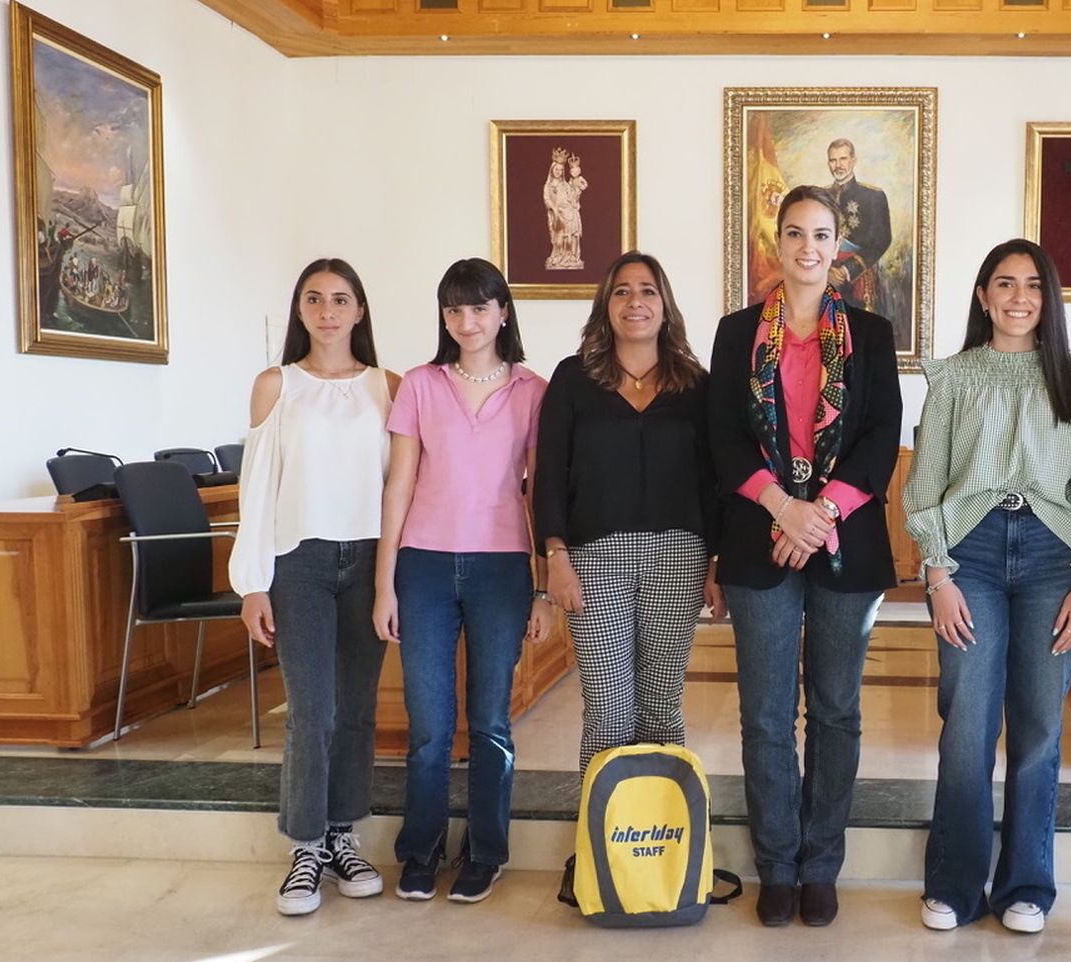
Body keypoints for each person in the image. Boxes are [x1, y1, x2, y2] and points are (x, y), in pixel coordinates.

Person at [904, 238, 1071, 934]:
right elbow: (926, 484)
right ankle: (956, 884)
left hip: (1054, 558)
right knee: (967, 722)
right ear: (982, 296)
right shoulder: (955, 379)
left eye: (1033, 285)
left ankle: (1027, 885)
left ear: (1048, 299)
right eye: (1004, 283)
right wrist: (938, 575)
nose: (1019, 297)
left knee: (1040, 724)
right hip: (973, 556)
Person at [708, 184, 903, 928]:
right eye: (796, 233)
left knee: (835, 711)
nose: (809, 247)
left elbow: (880, 439)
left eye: (823, 235)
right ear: (777, 244)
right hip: (759, 539)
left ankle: (820, 865)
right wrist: (780, 506)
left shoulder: (870, 335)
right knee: (763, 715)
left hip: (842, 542)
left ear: (838, 248)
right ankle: (777, 865)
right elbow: (723, 439)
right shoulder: (735, 335)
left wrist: (817, 514)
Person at [374, 257, 554, 905]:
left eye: (479, 307)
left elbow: (539, 496)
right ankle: (419, 850)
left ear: (504, 312)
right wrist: (384, 582)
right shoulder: (420, 385)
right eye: (454, 309)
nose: (467, 321)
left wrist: (538, 586)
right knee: (427, 725)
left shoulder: (532, 391)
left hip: (502, 569)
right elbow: (397, 486)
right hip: (422, 565)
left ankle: (485, 851)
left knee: (489, 723)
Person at [230, 258, 400, 916]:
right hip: (297, 562)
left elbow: (400, 487)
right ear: (300, 311)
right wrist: (252, 584)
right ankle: (304, 847)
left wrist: (394, 575)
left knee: (356, 709)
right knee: (312, 711)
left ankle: (341, 834)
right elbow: (257, 491)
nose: (327, 311)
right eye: (314, 299)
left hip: (367, 562)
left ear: (360, 310)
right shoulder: (276, 386)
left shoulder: (388, 386)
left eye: (340, 299)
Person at [534, 252, 724, 774]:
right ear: (605, 305)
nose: (634, 301)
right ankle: (601, 847)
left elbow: (714, 481)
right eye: (622, 291)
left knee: (662, 710)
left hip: (678, 557)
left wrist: (715, 562)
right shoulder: (573, 379)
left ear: (665, 306)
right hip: (593, 559)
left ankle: (662, 843)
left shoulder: (697, 385)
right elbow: (549, 471)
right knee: (607, 712)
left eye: (646, 290)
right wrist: (555, 555)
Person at [824, 138, 892, 313]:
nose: (838, 165)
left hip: (859, 279)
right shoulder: (819, 196)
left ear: (853, 161)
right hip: (824, 278)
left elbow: (881, 241)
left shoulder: (873, 196)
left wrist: (847, 270)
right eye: (833, 160)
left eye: (843, 159)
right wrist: (827, 271)